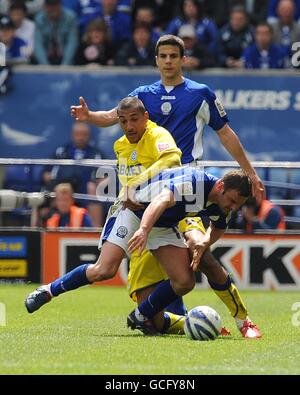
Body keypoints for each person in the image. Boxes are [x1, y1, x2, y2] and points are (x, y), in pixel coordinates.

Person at [69, 34, 264, 337]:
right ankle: (170, 319)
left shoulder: (201, 93)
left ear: (183, 59)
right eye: (164, 56)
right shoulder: (143, 94)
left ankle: (244, 321)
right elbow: (113, 116)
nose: (169, 61)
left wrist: (249, 172)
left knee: (203, 255)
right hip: (154, 191)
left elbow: (225, 132)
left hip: (189, 191)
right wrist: (89, 116)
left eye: (175, 56)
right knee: (170, 271)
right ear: (157, 60)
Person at [25, 97, 187, 335]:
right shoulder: (120, 145)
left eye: (134, 120)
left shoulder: (158, 135)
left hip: (161, 216)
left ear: (146, 117)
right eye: (123, 121)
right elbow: (130, 190)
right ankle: (48, 290)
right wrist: (133, 191)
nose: (129, 126)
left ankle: (155, 316)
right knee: (104, 269)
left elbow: (172, 159)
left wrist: (137, 184)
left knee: (184, 280)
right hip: (131, 212)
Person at [42, 121, 103, 227]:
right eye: (78, 134)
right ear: (72, 135)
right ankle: (40, 231)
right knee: (46, 194)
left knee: (93, 188)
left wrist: (99, 182)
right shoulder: (61, 151)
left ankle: (96, 231)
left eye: (84, 134)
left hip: (85, 188)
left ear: (89, 136)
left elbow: (104, 176)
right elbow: (46, 173)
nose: (81, 137)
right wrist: (53, 183)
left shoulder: (96, 153)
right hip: (62, 185)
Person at [33, 0, 78, 65]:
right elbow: (38, 45)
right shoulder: (39, 19)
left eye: (55, 5)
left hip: (65, 58)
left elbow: (72, 43)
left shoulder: (70, 17)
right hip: (46, 59)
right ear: (45, 6)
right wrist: (45, 66)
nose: (52, 8)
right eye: (50, 5)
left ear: (61, 5)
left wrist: (65, 66)